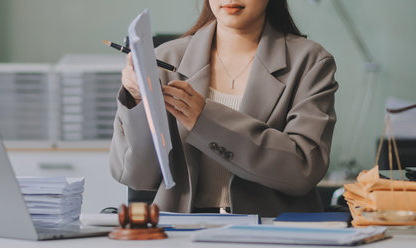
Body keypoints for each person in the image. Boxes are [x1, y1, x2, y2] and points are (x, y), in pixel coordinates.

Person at [110, 0, 338, 217]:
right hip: (182, 229)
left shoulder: (310, 62)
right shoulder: (163, 59)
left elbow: (302, 170)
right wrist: (138, 101)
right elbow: (134, 175)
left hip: (272, 230)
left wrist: (206, 120)